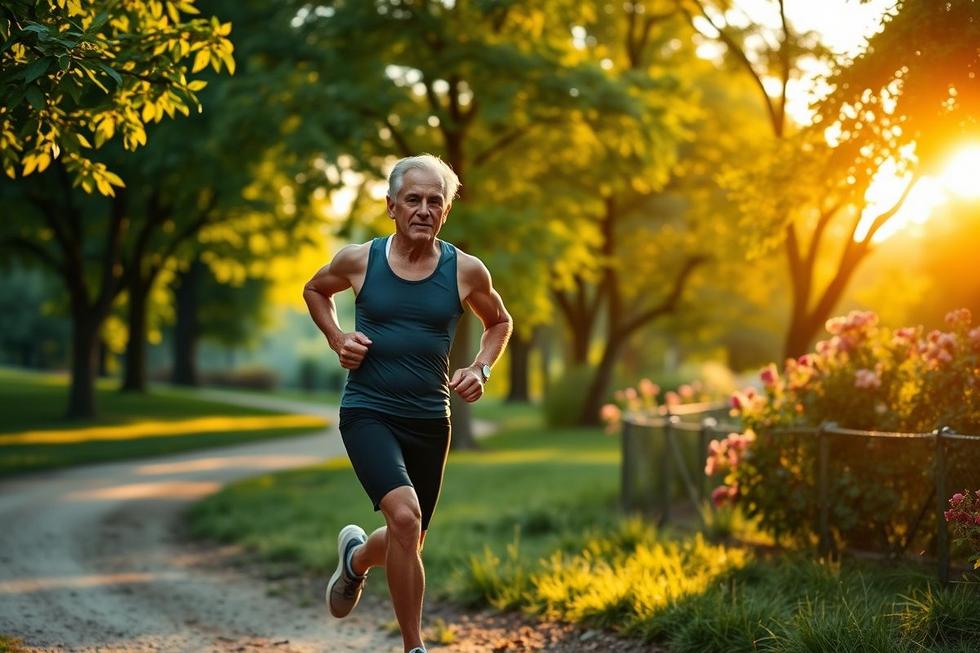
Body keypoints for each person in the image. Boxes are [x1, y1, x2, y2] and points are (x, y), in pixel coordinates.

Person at [302, 154, 512, 653]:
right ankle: (414, 648)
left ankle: (355, 559)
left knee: (408, 538)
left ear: (446, 211)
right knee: (404, 518)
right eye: (412, 199)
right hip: (368, 411)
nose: (423, 208)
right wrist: (337, 339)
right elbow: (315, 289)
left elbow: (499, 323)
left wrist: (481, 368)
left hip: (429, 418)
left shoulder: (466, 270)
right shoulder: (359, 260)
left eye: (434, 200)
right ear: (391, 206)